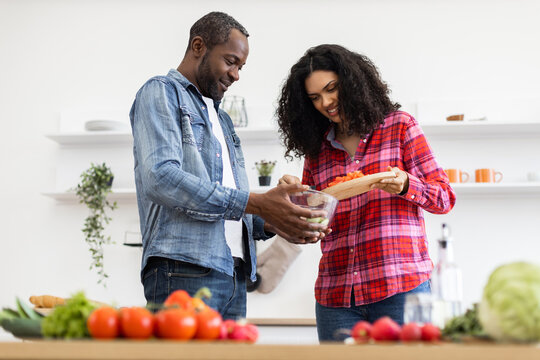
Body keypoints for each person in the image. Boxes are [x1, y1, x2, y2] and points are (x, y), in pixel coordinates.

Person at [129, 12, 327, 320]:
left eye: (241, 66)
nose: (236, 74)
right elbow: (161, 177)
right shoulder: (161, 92)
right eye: (231, 61)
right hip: (183, 270)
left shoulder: (221, 118)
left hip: (233, 275)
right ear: (198, 46)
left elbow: (229, 211)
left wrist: (275, 220)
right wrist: (256, 203)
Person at [276, 44, 456, 341]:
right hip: (336, 297)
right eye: (315, 98)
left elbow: (444, 197)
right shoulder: (316, 150)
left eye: (332, 88)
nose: (326, 102)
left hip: (400, 288)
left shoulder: (400, 127)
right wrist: (295, 200)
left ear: (353, 81)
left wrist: (407, 184)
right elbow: (314, 225)